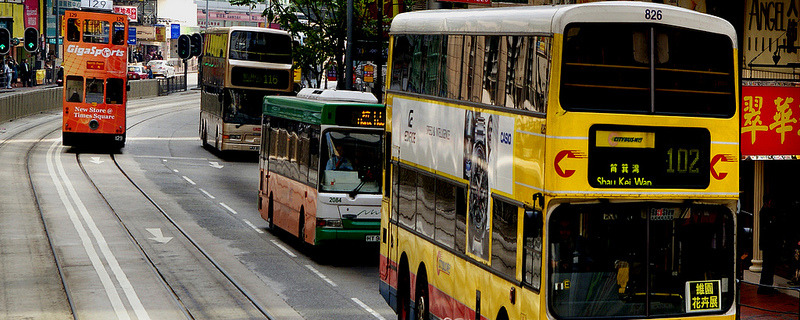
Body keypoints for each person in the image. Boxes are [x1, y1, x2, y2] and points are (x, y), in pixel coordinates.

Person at [759, 194, 781, 294]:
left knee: (769, 266)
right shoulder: (764, 212)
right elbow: (769, 227)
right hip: (768, 244)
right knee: (767, 266)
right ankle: (765, 287)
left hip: (770, 244)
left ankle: (767, 286)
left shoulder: (768, 211)